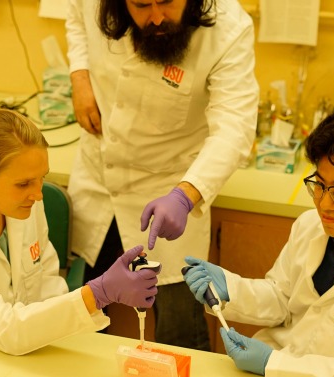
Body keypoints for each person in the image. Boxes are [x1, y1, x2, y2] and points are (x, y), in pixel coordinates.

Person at [65, 0, 258, 350]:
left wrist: (186, 194)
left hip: (169, 193)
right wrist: (79, 75)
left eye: (167, 2)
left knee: (178, 335)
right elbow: (76, 18)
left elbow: (235, 127)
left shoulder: (228, 29)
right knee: (81, 322)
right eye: (141, 5)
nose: (155, 17)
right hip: (98, 181)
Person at [0, 109, 160, 356]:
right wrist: (96, 294)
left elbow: (46, 284)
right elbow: (4, 328)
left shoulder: (22, 205)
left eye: (41, 178)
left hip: (25, 352)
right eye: (23, 183)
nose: (38, 195)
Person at [183, 105, 334, 376]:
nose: (324, 204)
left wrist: (273, 364)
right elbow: (284, 297)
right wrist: (231, 288)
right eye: (320, 185)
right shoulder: (311, 227)